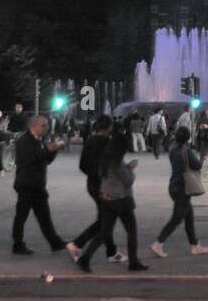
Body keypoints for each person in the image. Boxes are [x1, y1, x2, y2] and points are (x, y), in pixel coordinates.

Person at [76, 132, 147, 272]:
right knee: (131, 231)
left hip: (106, 200)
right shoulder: (117, 163)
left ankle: (85, 259)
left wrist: (126, 167)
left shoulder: (104, 160)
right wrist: (130, 170)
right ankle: (133, 262)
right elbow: (128, 181)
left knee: (104, 232)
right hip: (121, 200)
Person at [66, 116, 123, 264]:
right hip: (105, 186)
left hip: (92, 184)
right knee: (105, 220)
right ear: (108, 127)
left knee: (105, 219)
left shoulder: (90, 140)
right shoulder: (108, 143)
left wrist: (93, 175)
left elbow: (82, 165)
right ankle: (77, 244)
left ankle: (111, 252)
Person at [151, 126, 208, 258]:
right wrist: (202, 158)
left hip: (173, 186)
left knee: (189, 217)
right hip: (183, 188)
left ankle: (195, 245)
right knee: (177, 219)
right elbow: (197, 166)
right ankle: (158, 243)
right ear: (188, 138)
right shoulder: (187, 151)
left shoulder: (173, 150)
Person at [11, 115, 68, 255]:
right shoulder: (24, 141)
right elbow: (32, 159)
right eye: (44, 125)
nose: (47, 128)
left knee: (44, 216)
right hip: (27, 185)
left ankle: (55, 242)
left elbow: (45, 160)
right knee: (21, 216)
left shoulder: (38, 140)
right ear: (34, 126)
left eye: (47, 125)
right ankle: (17, 244)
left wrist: (53, 150)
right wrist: (50, 148)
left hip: (37, 185)